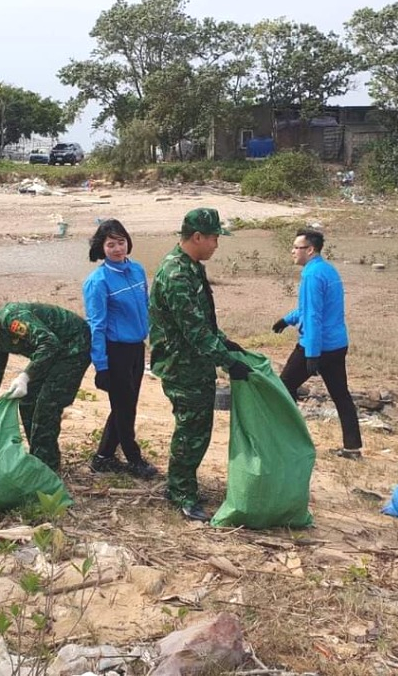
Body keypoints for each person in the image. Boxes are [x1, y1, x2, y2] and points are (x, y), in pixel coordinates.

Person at [149, 208, 251, 521]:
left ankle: (181, 484)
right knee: (191, 431)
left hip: (194, 364)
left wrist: (224, 341)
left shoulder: (191, 266)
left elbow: (202, 320)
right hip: (182, 366)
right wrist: (227, 362)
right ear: (197, 237)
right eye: (214, 238)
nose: (217, 245)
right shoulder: (177, 274)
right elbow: (193, 331)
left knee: (197, 429)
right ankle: (180, 493)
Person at [0, 297, 90, 472]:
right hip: (51, 353)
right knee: (27, 401)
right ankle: (39, 457)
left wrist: (25, 376)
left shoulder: (11, 319)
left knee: (47, 406)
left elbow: (49, 343)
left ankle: (48, 469)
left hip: (73, 347)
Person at [272, 228, 362, 459]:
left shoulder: (312, 275)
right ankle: (352, 448)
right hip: (336, 344)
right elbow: (308, 309)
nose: (292, 251)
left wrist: (312, 354)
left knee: (283, 389)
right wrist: (287, 319)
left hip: (317, 345)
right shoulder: (326, 270)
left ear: (310, 250)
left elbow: (313, 316)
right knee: (341, 394)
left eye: (296, 247)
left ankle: (288, 439)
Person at [83, 219, 157, 479]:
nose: (117, 249)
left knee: (125, 404)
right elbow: (97, 326)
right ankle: (134, 460)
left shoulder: (136, 270)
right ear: (101, 247)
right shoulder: (98, 281)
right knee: (126, 408)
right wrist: (101, 366)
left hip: (137, 347)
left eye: (121, 242)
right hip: (115, 352)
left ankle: (103, 457)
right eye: (110, 244)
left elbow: (148, 308)